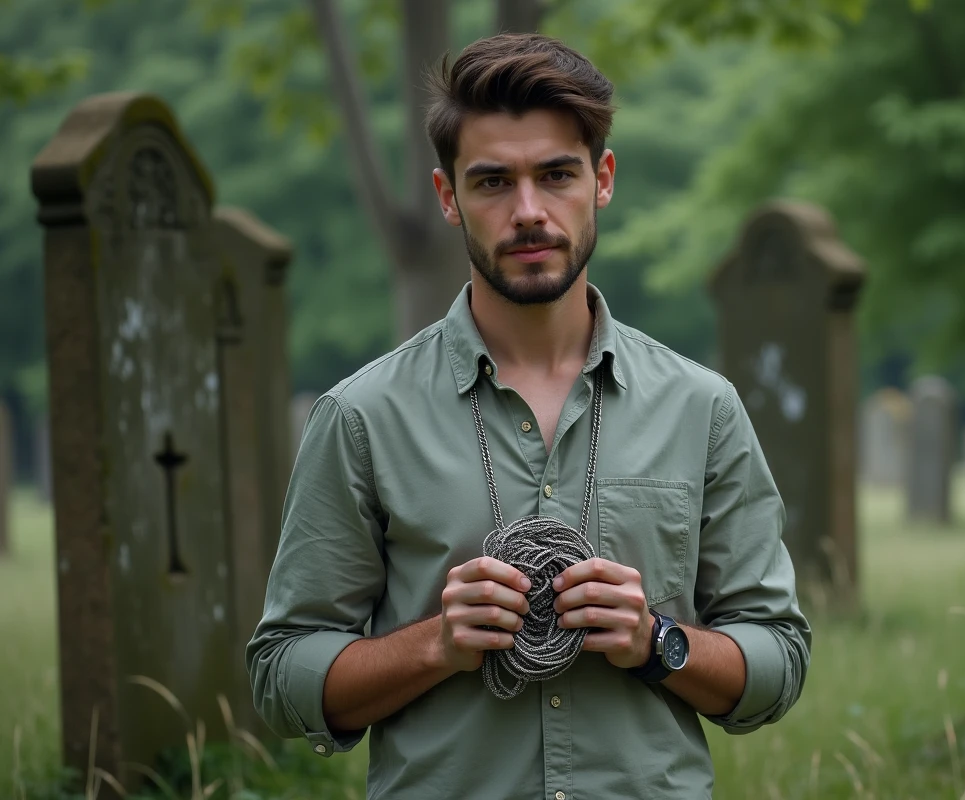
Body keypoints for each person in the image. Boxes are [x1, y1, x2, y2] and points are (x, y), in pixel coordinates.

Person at [247, 32, 811, 800]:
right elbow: (281, 674)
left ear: (601, 180)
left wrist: (655, 641)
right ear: (448, 197)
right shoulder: (361, 417)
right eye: (492, 182)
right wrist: (434, 646)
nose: (528, 211)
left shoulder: (701, 407)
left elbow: (779, 659)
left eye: (556, 175)